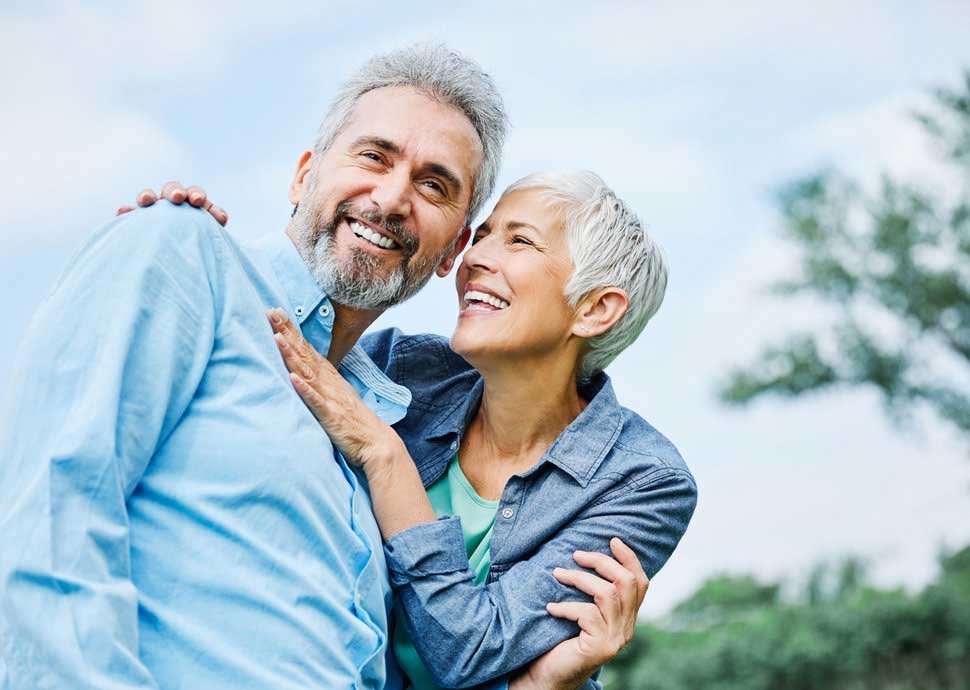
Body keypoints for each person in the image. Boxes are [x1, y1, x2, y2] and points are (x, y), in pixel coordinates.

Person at [131, 169, 698, 690]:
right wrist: (188, 251)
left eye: (519, 241)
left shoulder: (643, 480)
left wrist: (385, 454)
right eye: (485, 234)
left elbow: (470, 650)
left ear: (596, 309)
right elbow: (258, 351)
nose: (476, 257)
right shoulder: (400, 368)